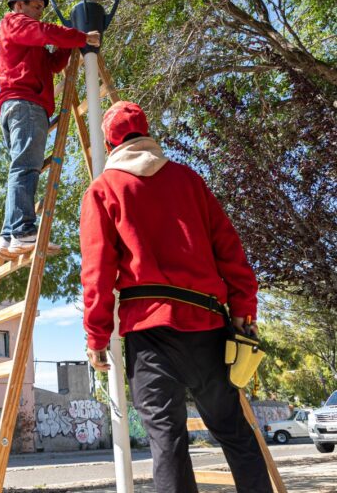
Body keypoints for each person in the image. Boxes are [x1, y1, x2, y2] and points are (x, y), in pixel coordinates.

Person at [80, 101, 273, 493]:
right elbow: (230, 251)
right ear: (147, 133)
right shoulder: (189, 180)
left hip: (149, 334)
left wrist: (97, 338)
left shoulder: (103, 190)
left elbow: (96, 273)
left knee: (167, 444)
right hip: (206, 325)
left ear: (109, 141)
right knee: (234, 432)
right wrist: (243, 312)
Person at [0, 0, 100, 257]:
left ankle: (9, 235)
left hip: (23, 105)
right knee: (25, 168)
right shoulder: (14, 22)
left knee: (22, 167)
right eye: (36, 5)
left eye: (42, 6)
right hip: (25, 104)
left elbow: (52, 65)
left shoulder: (28, 39)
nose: (40, 11)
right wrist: (80, 37)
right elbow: (44, 32)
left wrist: (70, 44)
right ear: (19, 4)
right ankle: (22, 230)